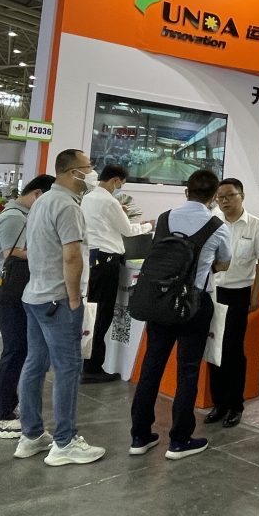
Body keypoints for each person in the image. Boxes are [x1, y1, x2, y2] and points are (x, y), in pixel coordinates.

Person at [129, 169, 231, 459]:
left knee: (152, 366)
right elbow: (224, 263)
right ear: (214, 196)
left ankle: (139, 436)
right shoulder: (217, 226)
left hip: (159, 301)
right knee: (188, 370)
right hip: (194, 305)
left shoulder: (164, 219)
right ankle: (179, 440)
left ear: (187, 191)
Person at [15, 149, 105, 466]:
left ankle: (31, 435)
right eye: (88, 167)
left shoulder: (42, 201)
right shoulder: (67, 206)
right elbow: (71, 256)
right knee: (68, 368)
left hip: (35, 295)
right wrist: (74, 297)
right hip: (57, 300)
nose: (92, 173)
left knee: (35, 364)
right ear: (72, 172)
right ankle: (64, 441)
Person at [0, 175, 55, 439]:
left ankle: (5, 408)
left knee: (19, 350)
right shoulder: (15, 217)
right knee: (15, 350)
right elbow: (12, 253)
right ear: (38, 195)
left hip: (14, 290)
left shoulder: (21, 215)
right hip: (8, 290)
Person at [80, 164, 154, 383]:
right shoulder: (109, 201)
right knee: (103, 314)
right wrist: (147, 226)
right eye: (120, 183)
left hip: (92, 258)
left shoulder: (88, 198)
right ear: (115, 180)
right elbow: (128, 230)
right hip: (107, 261)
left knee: (92, 311)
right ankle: (93, 368)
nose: (119, 187)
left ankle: (86, 362)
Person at [206, 177, 259, 429]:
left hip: (239, 294)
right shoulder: (212, 222)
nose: (224, 201)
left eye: (229, 196)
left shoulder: (255, 225)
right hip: (213, 292)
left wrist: (255, 295)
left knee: (233, 350)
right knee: (213, 349)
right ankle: (219, 403)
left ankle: (235, 405)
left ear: (242, 196)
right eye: (220, 197)